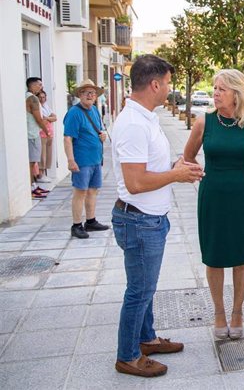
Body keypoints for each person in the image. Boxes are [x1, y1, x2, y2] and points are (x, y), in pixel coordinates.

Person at [111, 54, 204, 378]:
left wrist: (174, 167)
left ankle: (146, 339)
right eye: (167, 82)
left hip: (148, 218)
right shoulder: (134, 124)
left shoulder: (145, 117)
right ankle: (128, 355)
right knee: (139, 291)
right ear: (154, 84)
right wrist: (175, 176)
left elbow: (147, 170)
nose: (169, 88)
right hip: (139, 221)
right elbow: (135, 183)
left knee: (145, 288)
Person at [183, 69, 244, 340]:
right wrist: (207, 179)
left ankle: (237, 312)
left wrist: (243, 179)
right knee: (215, 254)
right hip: (213, 195)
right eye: (215, 88)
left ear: (236, 93)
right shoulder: (204, 122)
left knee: (242, 255)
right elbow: (188, 157)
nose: (215, 93)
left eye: (221, 89)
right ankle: (219, 312)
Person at [63, 80, 110, 239]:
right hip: (82, 160)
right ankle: (76, 225)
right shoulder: (74, 113)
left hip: (95, 159)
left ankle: (90, 221)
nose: (90, 95)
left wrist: (102, 135)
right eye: (86, 92)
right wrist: (71, 160)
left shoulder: (95, 110)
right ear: (80, 95)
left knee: (92, 191)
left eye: (93, 93)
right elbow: (68, 138)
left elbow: (98, 130)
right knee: (80, 192)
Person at [25, 77, 51, 199]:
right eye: (39, 84)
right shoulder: (32, 99)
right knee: (32, 163)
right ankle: (31, 187)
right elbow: (38, 118)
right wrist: (46, 131)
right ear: (32, 85)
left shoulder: (29, 97)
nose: (41, 87)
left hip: (32, 133)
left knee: (33, 162)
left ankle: (34, 185)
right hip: (32, 134)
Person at [37, 90, 57, 183]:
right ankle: (40, 174)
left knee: (49, 153)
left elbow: (54, 117)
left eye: (43, 97)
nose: (42, 99)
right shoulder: (37, 107)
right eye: (40, 97)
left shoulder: (46, 106)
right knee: (42, 154)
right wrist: (49, 119)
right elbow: (42, 120)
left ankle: (45, 173)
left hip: (49, 133)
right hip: (42, 133)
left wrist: (48, 118)